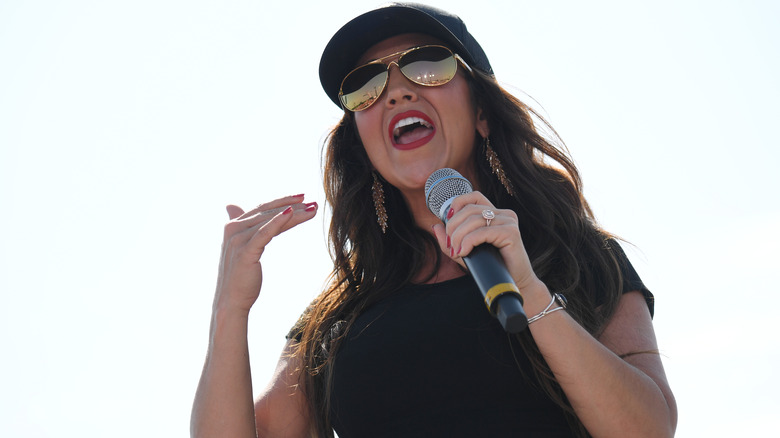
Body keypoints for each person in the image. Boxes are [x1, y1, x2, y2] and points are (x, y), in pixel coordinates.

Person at [191, 2, 677, 437]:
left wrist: (528, 290)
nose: (397, 92)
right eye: (365, 86)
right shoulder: (339, 316)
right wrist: (228, 310)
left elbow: (647, 430)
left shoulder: (578, 258)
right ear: (362, 140)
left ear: (483, 111)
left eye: (427, 66)